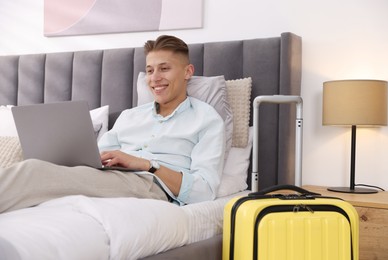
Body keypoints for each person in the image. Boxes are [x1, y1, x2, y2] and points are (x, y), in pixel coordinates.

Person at [0, 35, 226, 213]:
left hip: (151, 185)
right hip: (108, 177)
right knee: (39, 168)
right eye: (149, 70)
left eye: (164, 68)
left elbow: (204, 191)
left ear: (188, 72)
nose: (154, 78)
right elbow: (97, 156)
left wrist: (146, 164)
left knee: (33, 171)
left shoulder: (207, 120)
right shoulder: (129, 117)